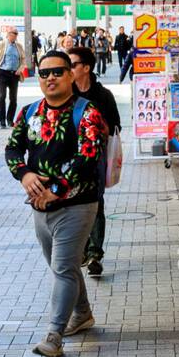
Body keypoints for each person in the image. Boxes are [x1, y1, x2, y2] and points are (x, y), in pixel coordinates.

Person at [5, 50, 106, 357]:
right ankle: (83, 313)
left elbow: (87, 158)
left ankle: (54, 336)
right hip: (39, 207)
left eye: (58, 72)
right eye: (44, 73)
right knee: (63, 266)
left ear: (71, 75)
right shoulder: (28, 113)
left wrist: (56, 190)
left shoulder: (87, 113)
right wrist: (24, 175)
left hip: (77, 205)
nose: (50, 78)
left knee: (62, 268)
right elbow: (12, 149)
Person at [70, 45, 120, 278]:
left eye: (72, 65)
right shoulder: (66, 93)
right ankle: (81, 248)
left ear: (86, 68)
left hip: (96, 158)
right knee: (73, 204)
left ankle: (94, 254)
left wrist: (98, 127)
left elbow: (115, 128)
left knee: (96, 203)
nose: (67, 70)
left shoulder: (103, 96)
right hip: (69, 159)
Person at [0, 27, 26, 129]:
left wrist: (20, 69)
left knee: (13, 99)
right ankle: (2, 120)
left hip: (14, 75)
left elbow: (23, 60)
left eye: (16, 34)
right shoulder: (1, 45)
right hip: (3, 73)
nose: (15, 35)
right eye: (14, 33)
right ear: (9, 34)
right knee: (2, 96)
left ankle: (10, 119)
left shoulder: (19, 46)